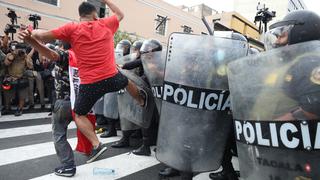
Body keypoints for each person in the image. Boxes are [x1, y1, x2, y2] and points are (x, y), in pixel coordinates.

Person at [19, 0, 146, 163]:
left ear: (80, 17)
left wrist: (30, 34)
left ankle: (96, 144)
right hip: (111, 77)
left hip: (90, 85)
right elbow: (120, 15)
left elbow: (43, 37)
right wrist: (106, 1)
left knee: (79, 115)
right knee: (126, 81)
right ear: (94, 14)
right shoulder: (104, 24)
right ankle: (141, 100)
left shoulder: (72, 30)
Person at [264, 10, 320, 121]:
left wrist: (269, 128)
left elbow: (313, 109)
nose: (277, 40)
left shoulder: (308, 64)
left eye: (282, 35)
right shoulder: (294, 63)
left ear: (300, 33)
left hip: (282, 133)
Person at [3, 42, 33, 116]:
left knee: (22, 95)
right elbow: (6, 64)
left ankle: (20, 108)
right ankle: (7, 108)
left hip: (22, 77)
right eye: (19, 50)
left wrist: (26, 57)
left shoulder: (26, 56)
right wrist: (13, 54)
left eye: (22, 50)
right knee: (7, 94)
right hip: (10, 78)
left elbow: (30, 66)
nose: (20, 52)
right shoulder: (10, 55)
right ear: (15, 49)